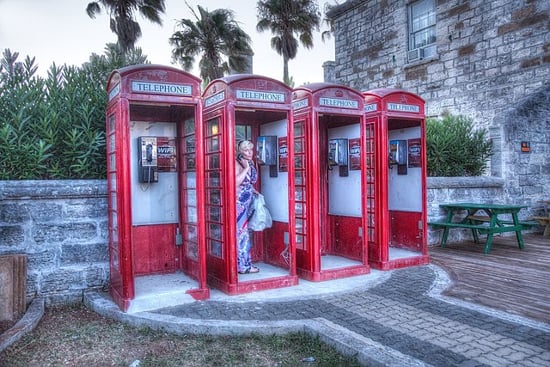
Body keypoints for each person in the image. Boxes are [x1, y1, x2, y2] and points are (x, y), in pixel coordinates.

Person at [235, 140, 260, 274]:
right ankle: (243, 266)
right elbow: (235, 182)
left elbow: (248, 182)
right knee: (242, 234)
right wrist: (245, 169)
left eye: (251, 149)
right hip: (238, 204)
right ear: (240, 151)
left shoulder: (251, 162)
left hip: (248, 203)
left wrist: (253, 191)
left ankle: (244, 264)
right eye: (246, 150)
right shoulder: (237, 163)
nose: (249, 152)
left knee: (246, 233)